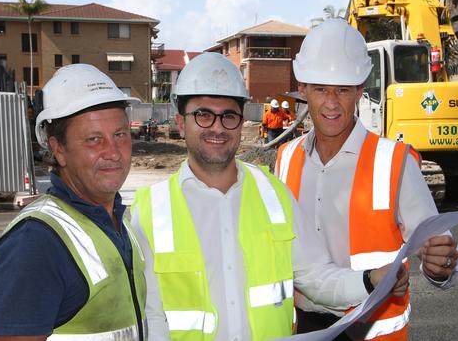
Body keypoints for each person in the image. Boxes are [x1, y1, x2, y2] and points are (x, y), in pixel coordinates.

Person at [130, 52, 409, 340]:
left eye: (228, 116)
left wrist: (370, 279)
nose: (217, 127)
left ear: (240, 122)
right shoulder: (150, 211)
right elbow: (150, 317)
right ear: (180, 122)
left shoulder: (273, 193)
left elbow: (315, 277)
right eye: (203, 114)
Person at [276, 18, 458, 340]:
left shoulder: (395, 162)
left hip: (373, 330)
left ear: (360, 89)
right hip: (301, 326)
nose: (332, 102)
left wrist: (443, 266)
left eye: (344, 90)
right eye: (320, 89)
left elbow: (440, 248)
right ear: (303, 89)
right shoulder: (286, 158)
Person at [0, 64, 147, 341]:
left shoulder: (119, 222)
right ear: (58, 149)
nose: (114, 152)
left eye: (120, 134)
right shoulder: (34, 244)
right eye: (94, 139)